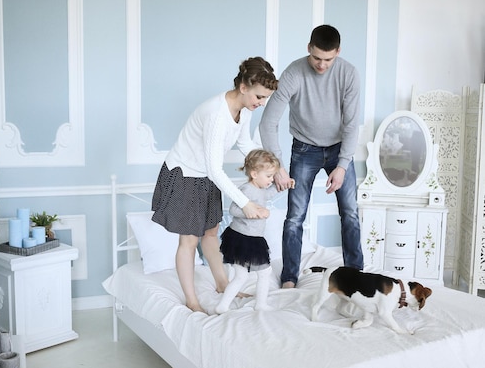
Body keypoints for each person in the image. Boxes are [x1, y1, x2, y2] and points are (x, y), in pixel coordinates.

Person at [152, 57, 279, 312]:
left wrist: (272, 169)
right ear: (244, 87)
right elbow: (214, 168)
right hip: (185, 174)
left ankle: (222, 282)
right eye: (259, 96)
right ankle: (192, 300)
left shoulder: (243, 111)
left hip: (207, 177)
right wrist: (245, 203)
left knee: (211, 233)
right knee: (188, 241)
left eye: (265, 98)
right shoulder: (215, 114)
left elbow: (245, 145)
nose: (262, 103)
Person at [259, 25, 364, 288]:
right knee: (295, 215)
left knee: (350, 212)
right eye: (317, 57)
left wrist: (342, 166)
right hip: (304, 149)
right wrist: (279, 166)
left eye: (328, 59)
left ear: (338, 52)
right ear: (309, 48)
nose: (321, 64)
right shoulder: (293, 73)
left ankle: (355, 275)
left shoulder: (349, 74)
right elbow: (267, 123)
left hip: (339, 148)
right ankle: (290, 277)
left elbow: (352, 125)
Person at [215, 149, 285, 314]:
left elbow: (266, 194)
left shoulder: (260, 189)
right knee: (262, 272)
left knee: (245, 275)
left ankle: (225, 306)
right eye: (268, 176)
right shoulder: (246, 189)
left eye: (272, 176)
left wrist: (282, 186)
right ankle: (255, 304)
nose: (271, 180)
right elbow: (233, 209)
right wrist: (254, 213)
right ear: (254, 174)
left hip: (250, 238)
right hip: (244, 239)